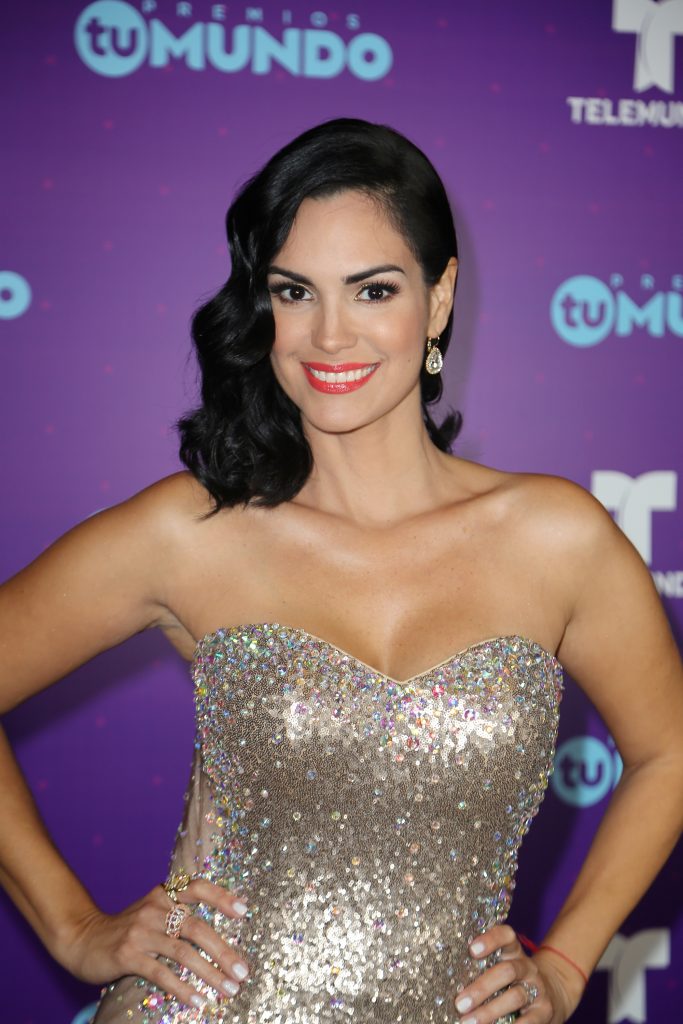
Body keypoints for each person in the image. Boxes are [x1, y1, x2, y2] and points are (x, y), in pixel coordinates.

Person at [1, 117, 682, 1024]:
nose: (328, 336)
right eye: (293, 291)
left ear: (438, 300)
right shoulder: (191, 530)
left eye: (371, 290)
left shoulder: (555, 535)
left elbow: (669, 752)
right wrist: (73, 926)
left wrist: (563, 963)